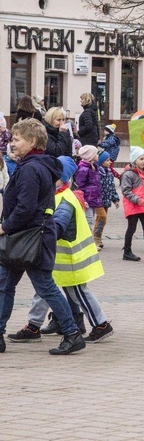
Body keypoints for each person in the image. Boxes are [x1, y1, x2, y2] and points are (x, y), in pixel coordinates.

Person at [0, 119, 86, 355]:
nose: (12, 143)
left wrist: (4, 227)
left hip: (28, 238)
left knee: (44, 287)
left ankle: (72, 333)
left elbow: (25, 208)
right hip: (29, 237)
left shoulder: (30, 168)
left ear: (33, 141)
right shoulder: (37, 165)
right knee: (5, 285)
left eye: (17, 139)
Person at [7, 156, 114, 344]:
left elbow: (58, 226)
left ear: (61, 179)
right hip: (58, 257)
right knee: (44, 290)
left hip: (71, 258)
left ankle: (101, 324)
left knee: (78, 293)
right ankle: (34, 325)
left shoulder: (64, 199)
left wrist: (40, 232)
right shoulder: (57, 196)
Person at [95, 151, 120, 250]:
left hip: (106, 200)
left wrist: (116, 199)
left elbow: (112, 187)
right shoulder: (97, 173)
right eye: (107, 160)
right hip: (98, 201)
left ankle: (98, 237)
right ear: (101, 161)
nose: (110, 162)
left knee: (102, 220)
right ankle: (96, 237)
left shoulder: (109, 173)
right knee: (102, 217)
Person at [75, 145, 103, 230]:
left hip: (93, 199)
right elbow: (79, 185)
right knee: (88, 221)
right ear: (90, 156)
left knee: (91, 220)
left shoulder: (94, 167)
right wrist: (83, 199)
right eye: (96, 154)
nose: (98, 155)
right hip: (87, 200)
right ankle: (88, 241)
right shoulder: (84, 169)